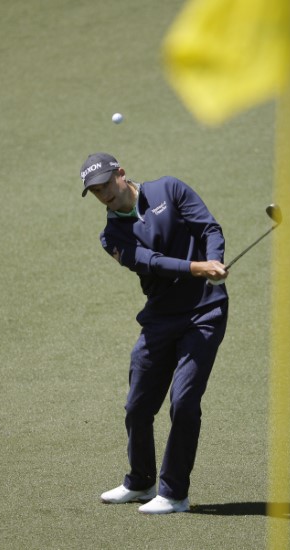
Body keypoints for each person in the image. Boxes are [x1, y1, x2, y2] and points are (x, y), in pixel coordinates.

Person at [80, 152, 229, 514]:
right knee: (137, 406)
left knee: (184, 402)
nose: (103, 195)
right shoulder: (111, 235)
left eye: (105, 185)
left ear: (121, 174)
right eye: (95, 192)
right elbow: (152, 263)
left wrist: (216, 261)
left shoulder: (170, 189)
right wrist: (197, 267)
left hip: (204, 314)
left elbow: (209, 228)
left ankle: (175, 493)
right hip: (160, 319)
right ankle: (141, 481)